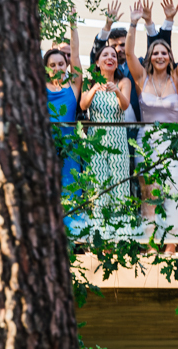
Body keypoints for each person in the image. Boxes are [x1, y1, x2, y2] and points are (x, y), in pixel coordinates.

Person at [126, 0, 178, 256]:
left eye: (163, 53)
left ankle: (171, 244)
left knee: (174, 193)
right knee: (149, 194)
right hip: (146, 141)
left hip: (173, 143)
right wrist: (133, 23)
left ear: (169, 57)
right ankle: (150, 243)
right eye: (155, 53)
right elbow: (128, 54)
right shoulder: (141, 79)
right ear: (150, 57)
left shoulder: (176, 79)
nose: (159, 56)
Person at [80, 44, 132, 237]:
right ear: (97, 61)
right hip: (96, 142)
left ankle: (121, 235)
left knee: (120, 187)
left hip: (118, 142)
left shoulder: (123, 81)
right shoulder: (89, 82)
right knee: (99, 189)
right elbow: (83, 105)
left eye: (113, 56)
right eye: (105, 55)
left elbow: (125, 105)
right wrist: (95, 87)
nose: (110, 58)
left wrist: (116, 91)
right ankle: (101, 236)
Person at [45, 16, 84, 231]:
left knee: (71, 189)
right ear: (47, 68)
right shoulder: (40, 87)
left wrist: (73, 26)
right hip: (47, 143)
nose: (58, 67)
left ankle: (71, 235)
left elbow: (76, 54)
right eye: (53, 65)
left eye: (61, 63)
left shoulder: (73, 86)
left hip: (70, 145)